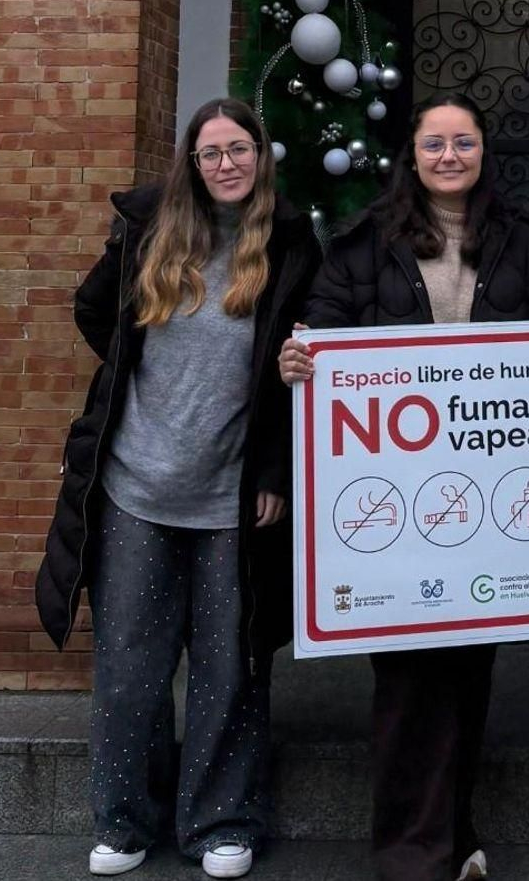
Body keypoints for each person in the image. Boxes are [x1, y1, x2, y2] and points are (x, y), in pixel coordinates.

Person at [278, 93, 529, 881]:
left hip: (485, 504)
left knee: (467, 672)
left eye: (464, 142)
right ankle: (409, 853)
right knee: (406, 677)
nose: (450, 155)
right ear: (412, 155)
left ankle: (452, 833)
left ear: (483, 152)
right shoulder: (363, 244)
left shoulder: (520, 243)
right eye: (435, 143)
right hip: (394, 500)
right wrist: (301, 360)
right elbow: (321, 326)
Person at [35, 97, 321, 878]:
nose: (226, 164)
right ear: (191, 165)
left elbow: (303, 373)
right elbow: (94, 310)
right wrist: (133, 377)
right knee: (130, 665)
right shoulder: (149, 234)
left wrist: (272, 469)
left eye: (239, 150)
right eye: (210, 153)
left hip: (232, 497)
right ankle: (125, 822)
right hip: (136, 488)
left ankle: (222, 822)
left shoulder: (292, 246)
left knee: (230, 667)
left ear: (261, 158)